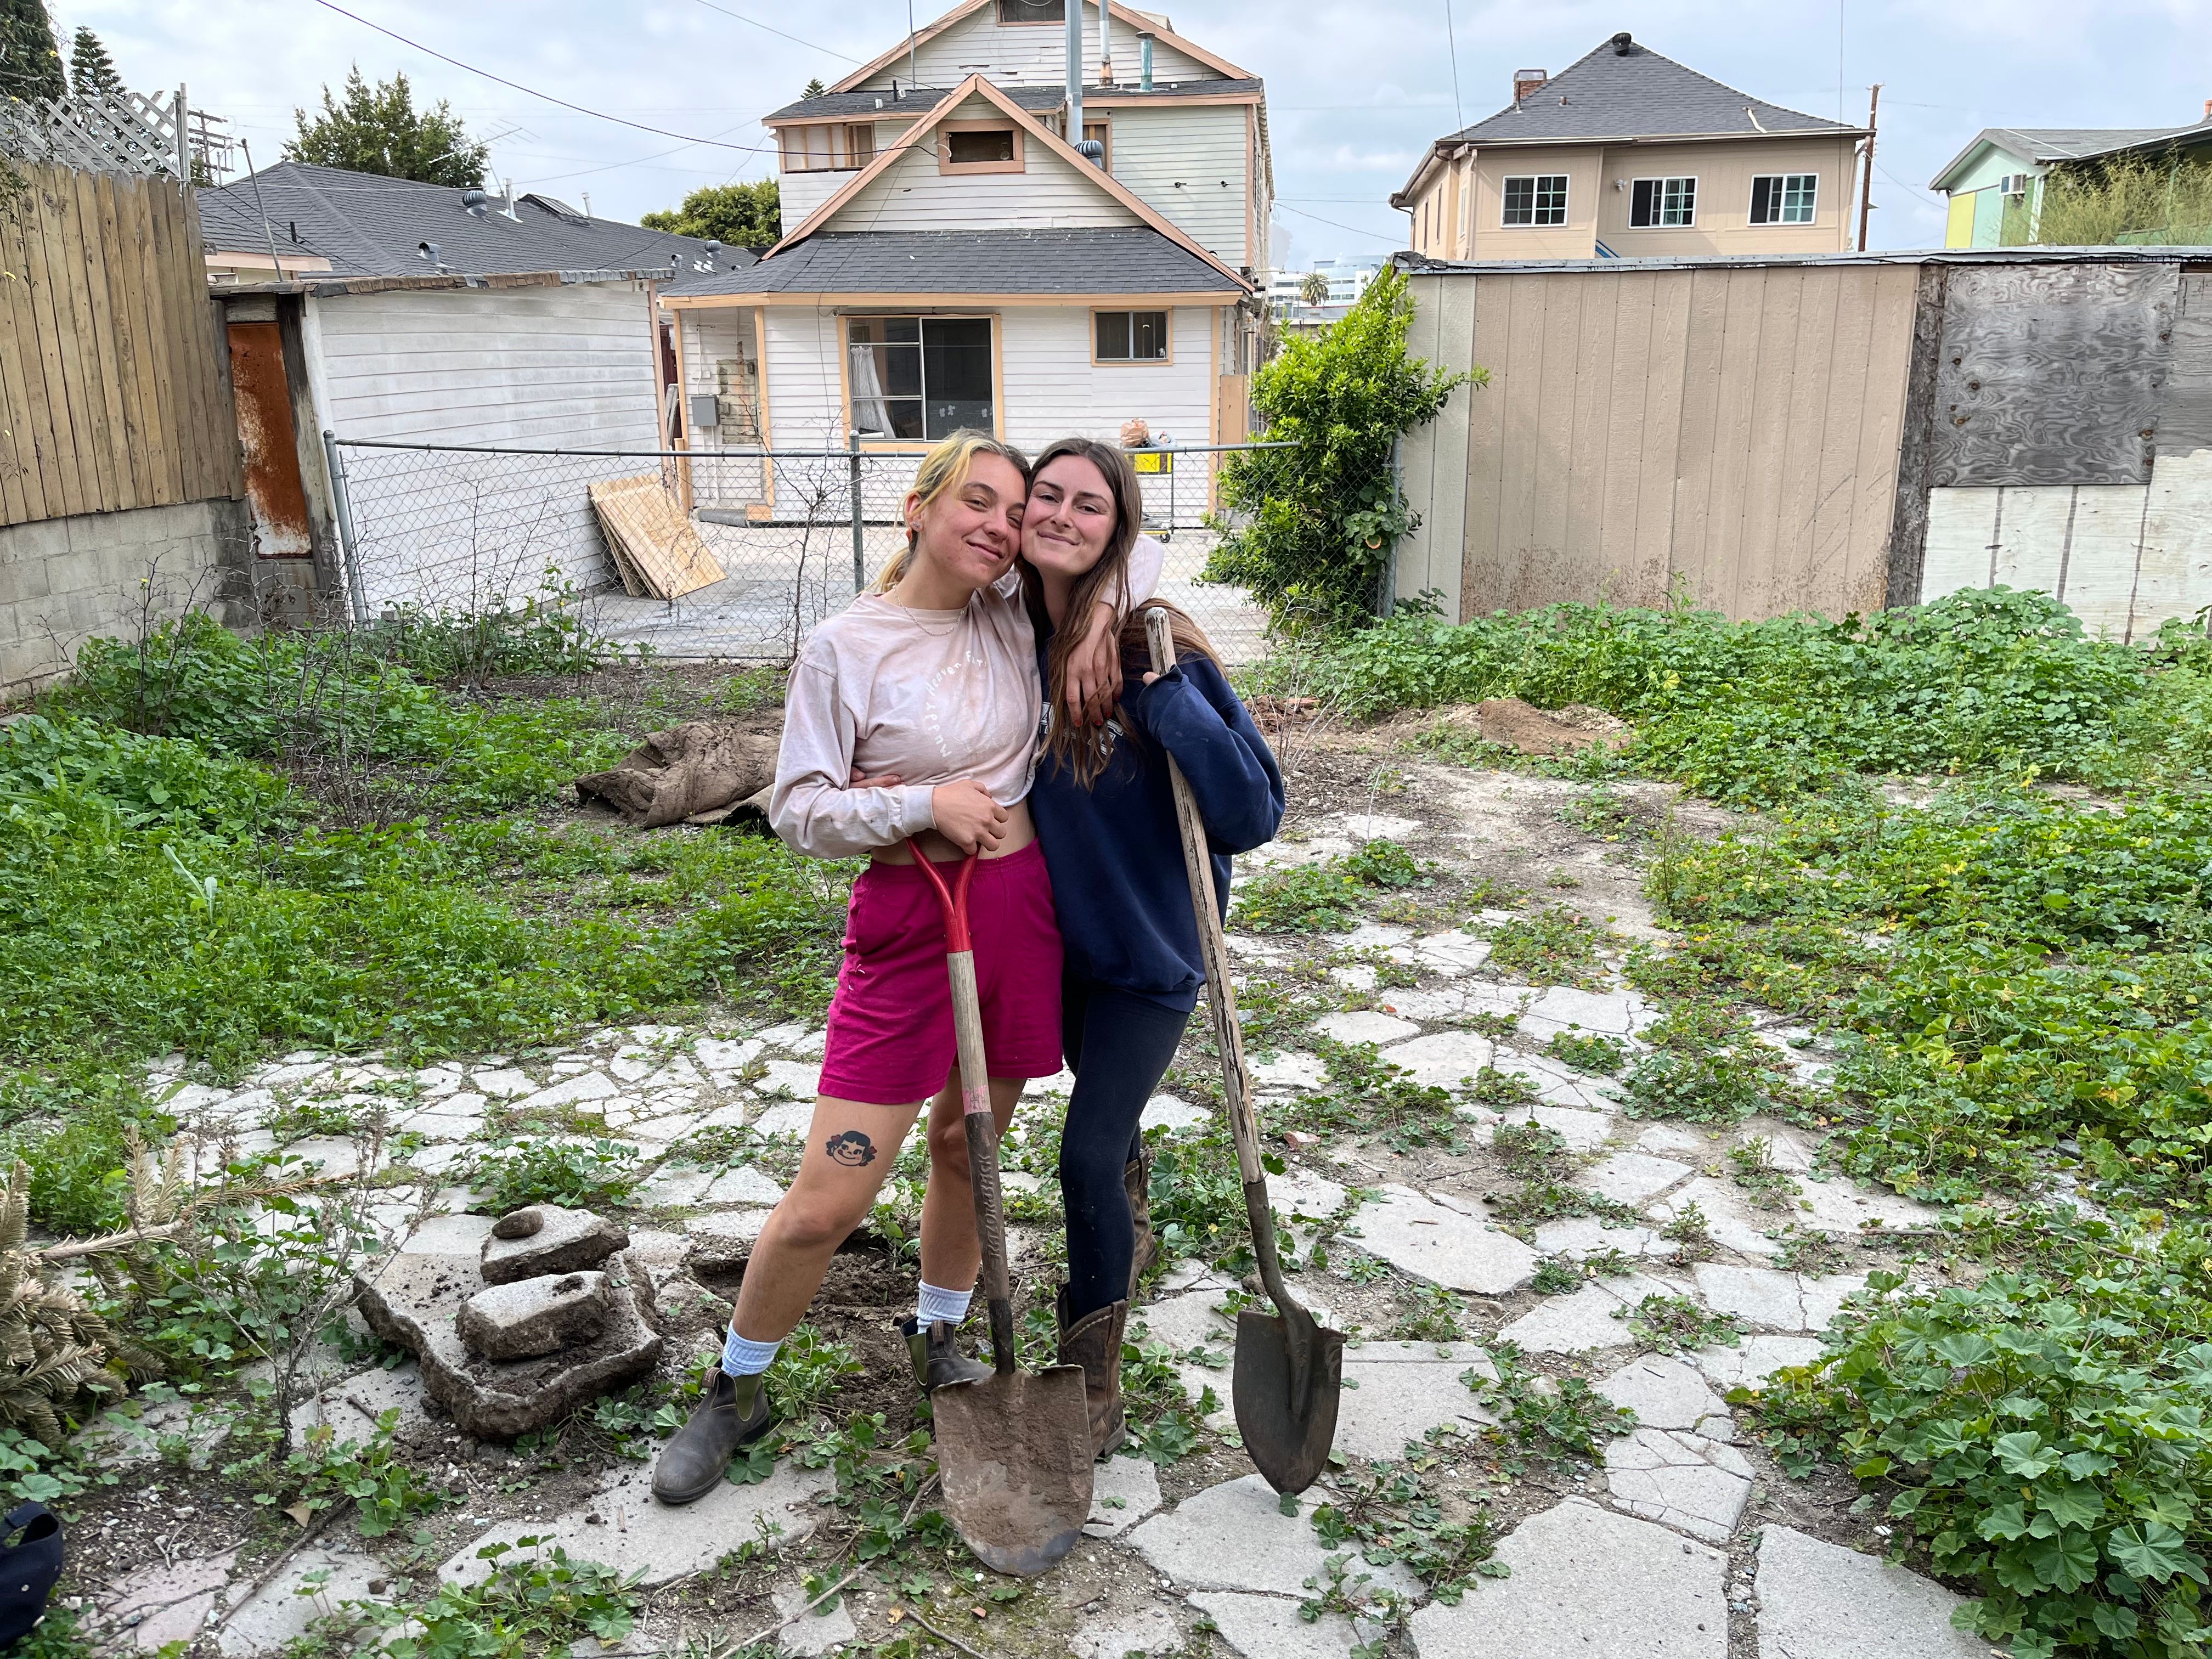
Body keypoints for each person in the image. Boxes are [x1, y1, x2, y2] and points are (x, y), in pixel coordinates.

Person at [651, 432, 1158, 1505]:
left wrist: (1103, 616)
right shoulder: (851, 645)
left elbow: (1131, 552)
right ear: (919, 507)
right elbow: (798, 810)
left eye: (1014, 514)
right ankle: (737, 1388)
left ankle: (939, 1336)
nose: (1001, 525)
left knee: (968, 1151)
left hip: (1021, 916)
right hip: (906, 923)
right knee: (830, 1195)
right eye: (976, 501)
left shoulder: (1016, 611)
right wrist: (925, 804)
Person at [1019, 438, 1285, 1457]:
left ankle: (1092, 1382)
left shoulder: (1154, 647)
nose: (1065, 518)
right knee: (1108, 1125)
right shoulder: (1011, 631)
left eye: (1092, 507)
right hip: (1062, 944)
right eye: (1049, 497)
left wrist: (1168, 702)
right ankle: (1126, 1217)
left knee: (1081, 1155)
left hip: (1152, 951)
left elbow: (1254, 813)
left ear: (1117, 529)